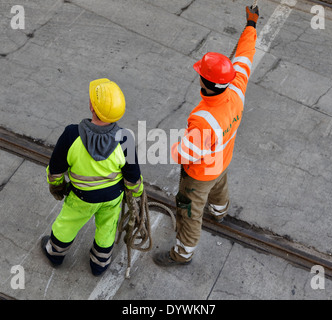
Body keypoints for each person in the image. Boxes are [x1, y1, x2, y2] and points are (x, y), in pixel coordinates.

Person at [153, 6, 259, 266]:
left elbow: (185, 153)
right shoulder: (236, 88)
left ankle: (182, 253)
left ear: (206, 83)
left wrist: (172, 145)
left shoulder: (203, 119)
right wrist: (251, 25)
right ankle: (220, 212)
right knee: (219, 186)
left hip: (199, 174)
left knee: (189, 211)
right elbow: (245, 56)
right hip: (222, 160)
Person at [42, 78, 143, 276]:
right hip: (112, 198)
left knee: (68, 223)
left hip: (81, 197)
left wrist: (57, 186)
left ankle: (55, 254)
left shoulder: (72, 134)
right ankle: (99, 263)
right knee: (107, 228)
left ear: (91, 106)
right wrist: (135, 194)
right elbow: (133, 177)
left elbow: (55, 169)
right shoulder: (125, 139)